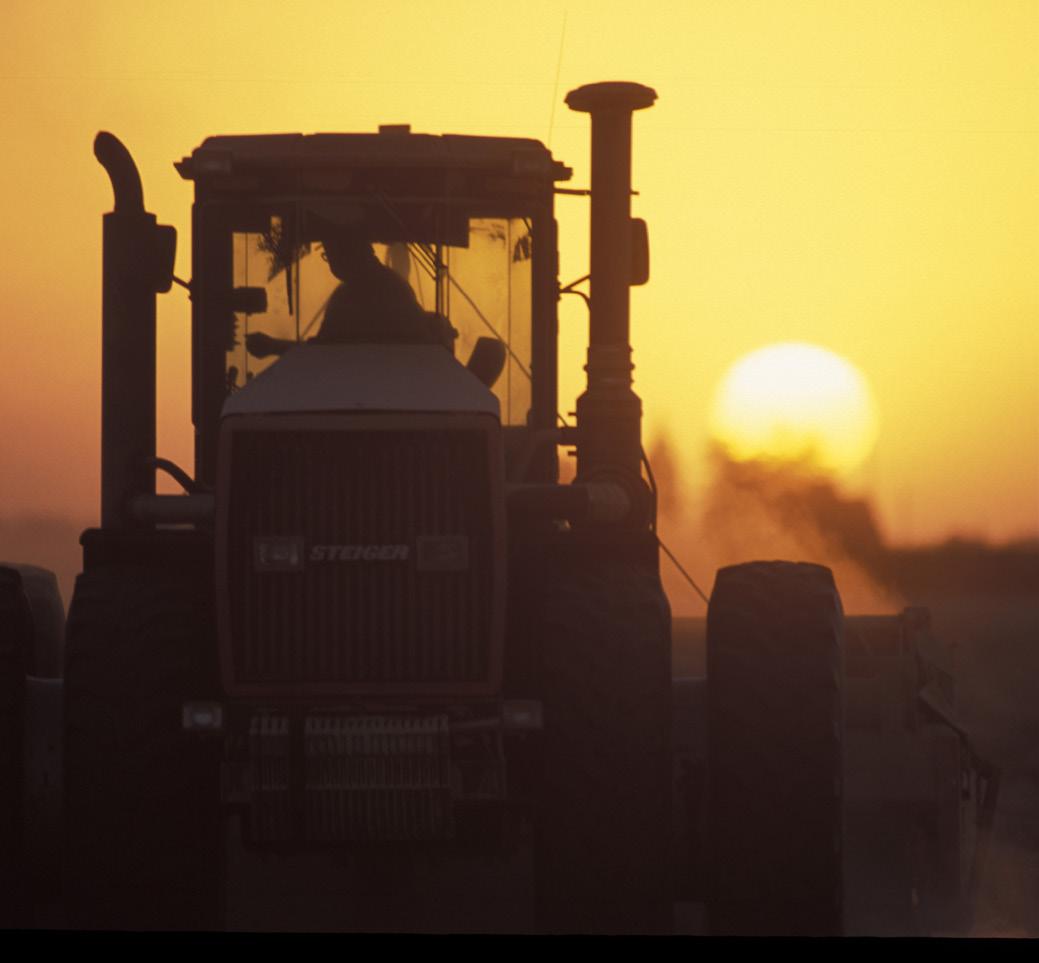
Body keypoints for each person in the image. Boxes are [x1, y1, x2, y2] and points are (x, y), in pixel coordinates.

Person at [246, 227, 455, 359]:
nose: (333, 263)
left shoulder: (375, 293)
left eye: (332, 254)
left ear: (351, 253)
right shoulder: (380, 287)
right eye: (328, 255)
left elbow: (326, 355)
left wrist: (273, 346)